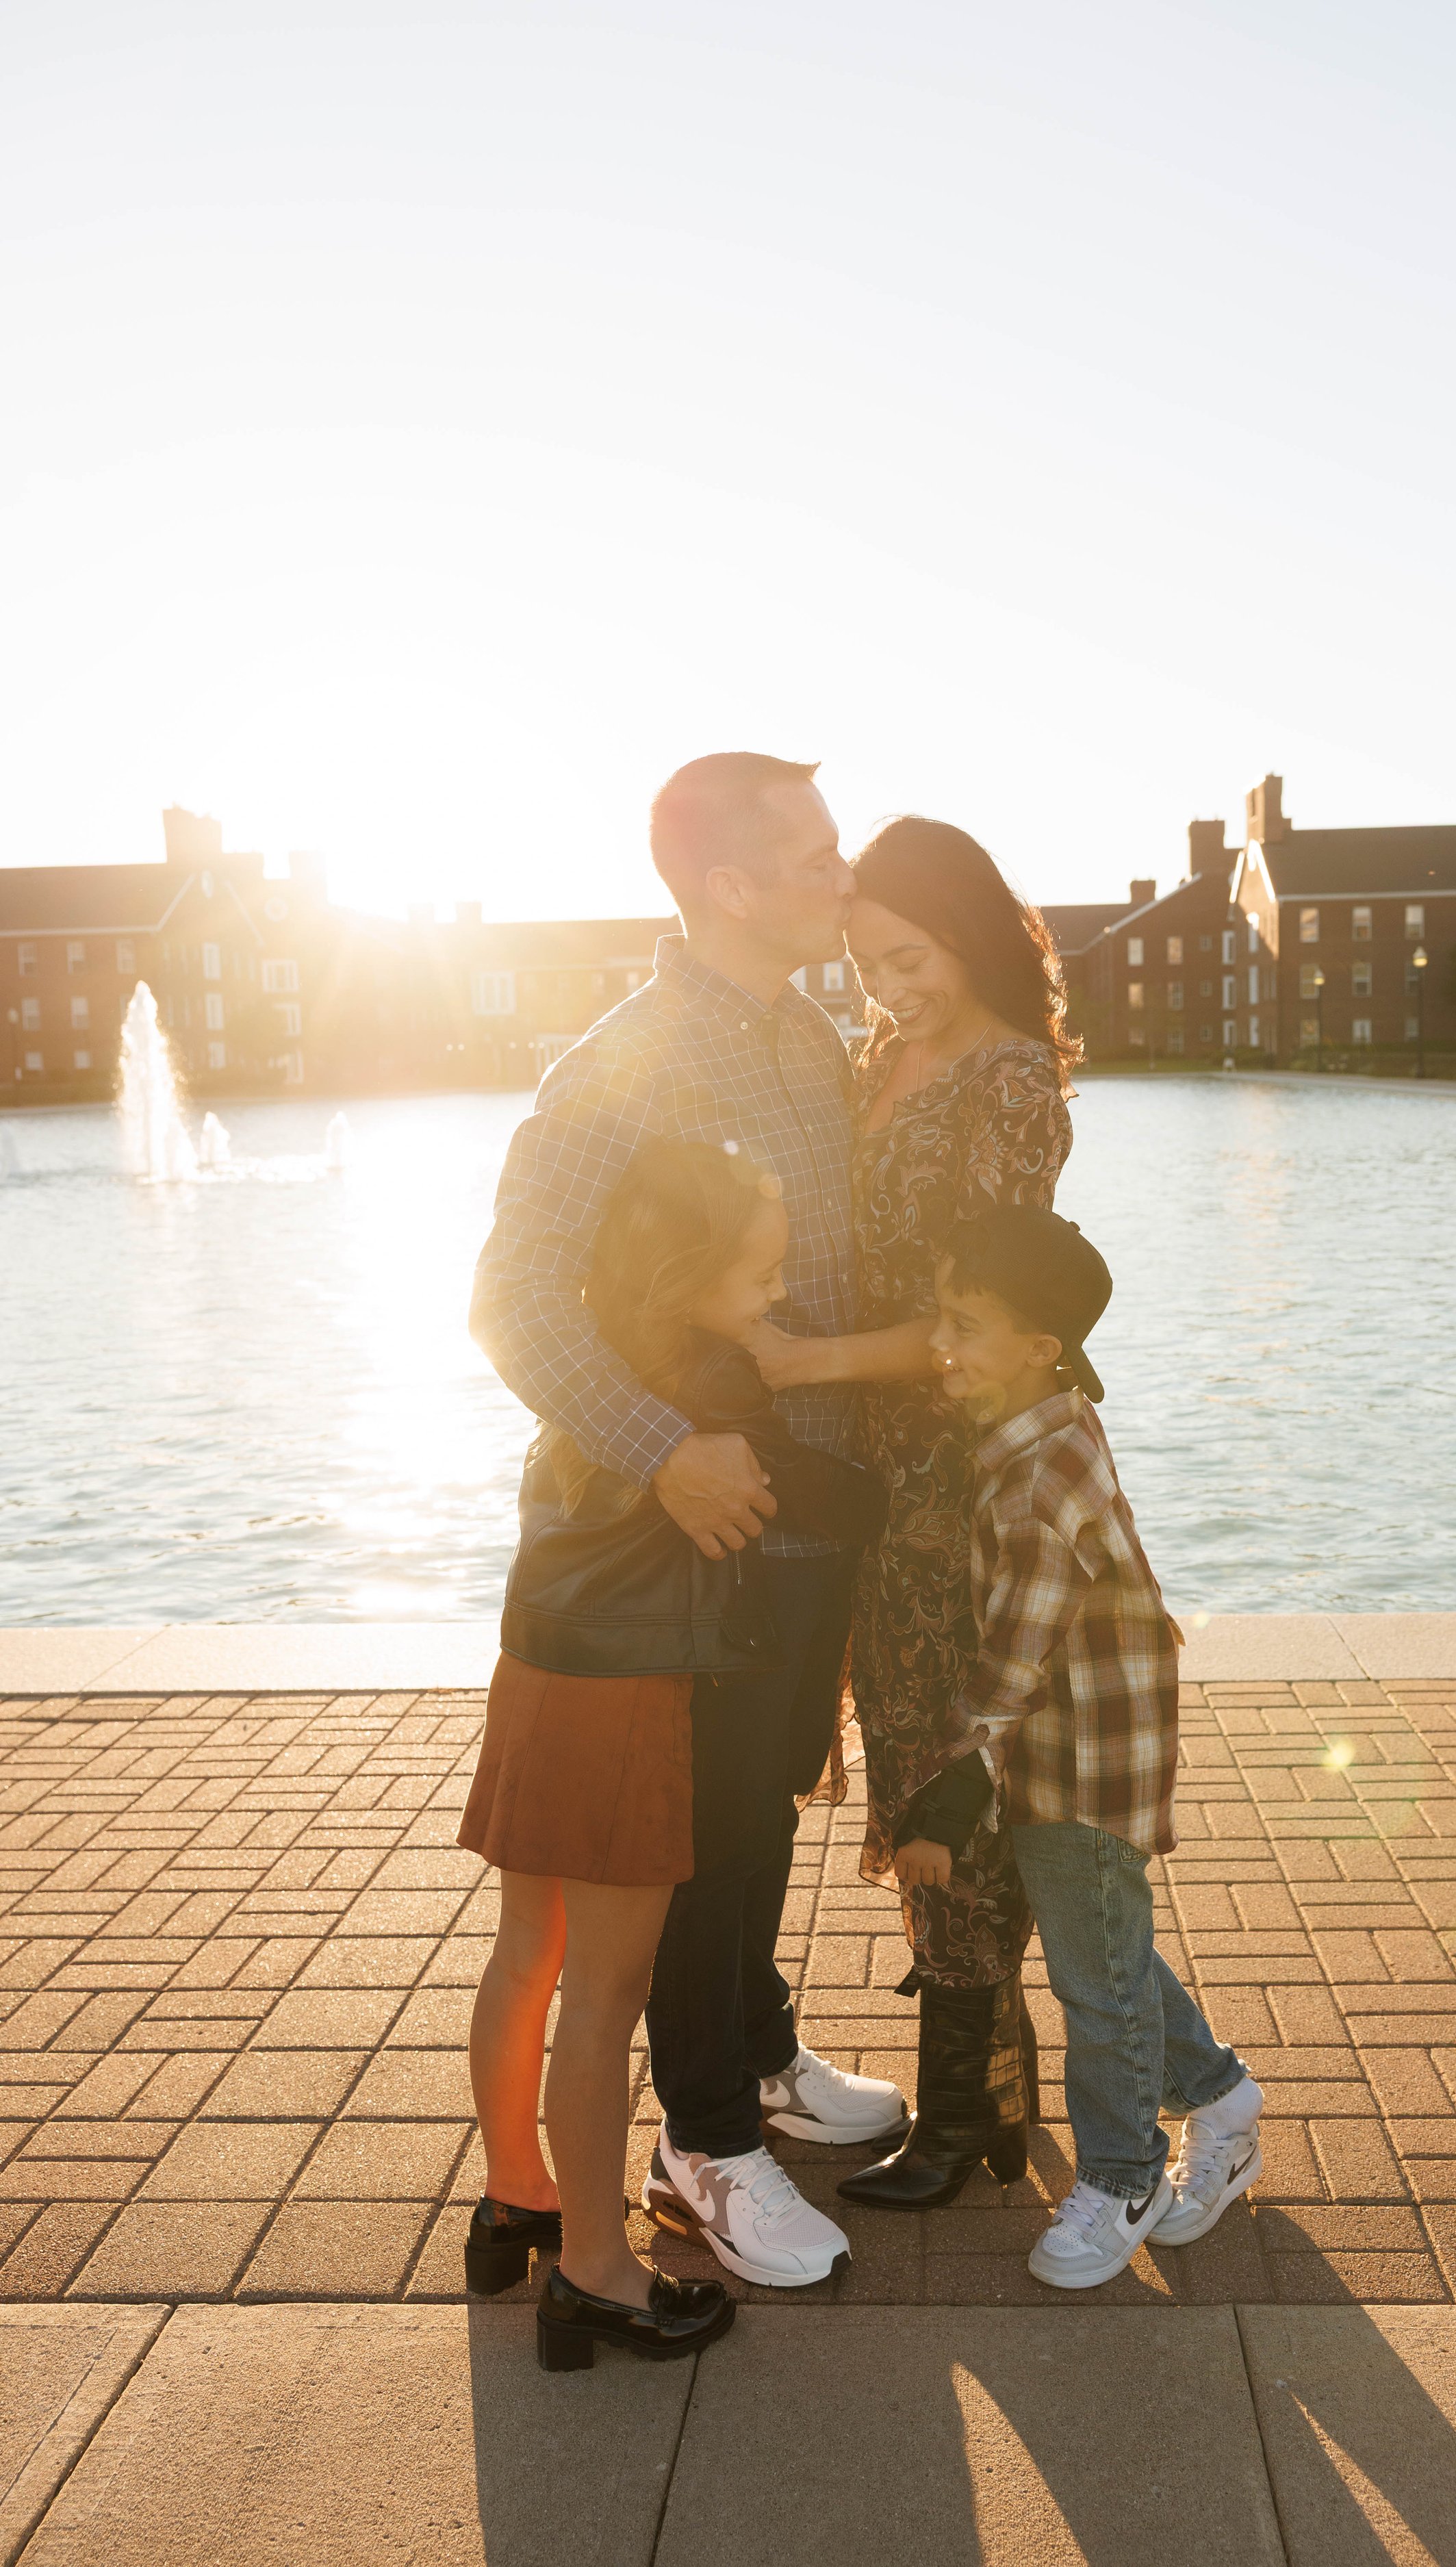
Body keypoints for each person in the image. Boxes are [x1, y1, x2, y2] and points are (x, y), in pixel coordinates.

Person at [470, 753, 908, 2299]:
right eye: (813, 857)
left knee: (766, 1814)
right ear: (725, 884)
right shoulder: (621, 1061)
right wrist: (666, 1452)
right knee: (707, 1839)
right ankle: (707, 2145)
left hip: (812, 1521)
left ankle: (762, 2050)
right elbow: (513, 1302)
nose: (840, 880)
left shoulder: (819, 1035)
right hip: (698, 1539)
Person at [460, 1137, 885, 2368]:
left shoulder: (597, 1380)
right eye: (760, 1268)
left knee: (525, 1955)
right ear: (689, 1271)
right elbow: (842, 1503)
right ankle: (595, 2272)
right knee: (604, 1998)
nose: (779, 1284)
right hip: (630, 1698)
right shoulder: (711, 1391)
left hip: (538, 1670)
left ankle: (516, 2201)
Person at [745, 817, 1074, 2210]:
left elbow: (980, 1319)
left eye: (910, 958)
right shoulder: (885, 1057)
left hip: (961, 1471)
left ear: (972, 933)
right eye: (866, 965)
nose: (888, 992)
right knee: (907, 1750)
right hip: (874, 1474)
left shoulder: (1009, 1085)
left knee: (954, 1762)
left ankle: (961, 2119)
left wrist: (808, 1360)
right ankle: (989, 2093)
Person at [889, 1207, 1264, 2286]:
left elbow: (1012, 1664)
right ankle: (1224, 2099)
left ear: (1039, 1343)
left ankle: (1122, 2172)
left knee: (1095, 1981)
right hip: (1070, 1742)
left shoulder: (1043, 1475)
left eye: (968, 1322)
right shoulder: (1039, 1423)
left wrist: (944, 1797)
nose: (943, 1343)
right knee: (1107, 1948)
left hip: (1080, 1754)